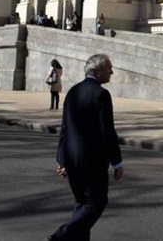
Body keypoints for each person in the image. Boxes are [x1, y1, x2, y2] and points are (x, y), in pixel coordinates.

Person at [50, 54, 123, 241]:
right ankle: (59, 237)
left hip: (71, 159)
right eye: (109, 68)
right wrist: (117, 162)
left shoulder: (73, 92)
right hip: (92, 162)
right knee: (95, 203)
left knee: (82, 203)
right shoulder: (101, 95)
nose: (112, 72)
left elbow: (65, 129)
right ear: (98, 72)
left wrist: (61, 159)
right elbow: (107, 132)